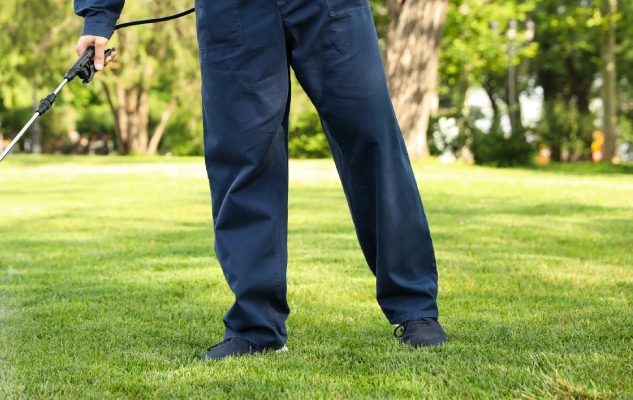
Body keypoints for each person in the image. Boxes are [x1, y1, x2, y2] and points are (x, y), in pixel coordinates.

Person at [73, 0, 447, 360]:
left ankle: (414, 308)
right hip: (232, 10)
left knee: (372, 139)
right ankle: (256, 327)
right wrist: (99, 16)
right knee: (242, 158)